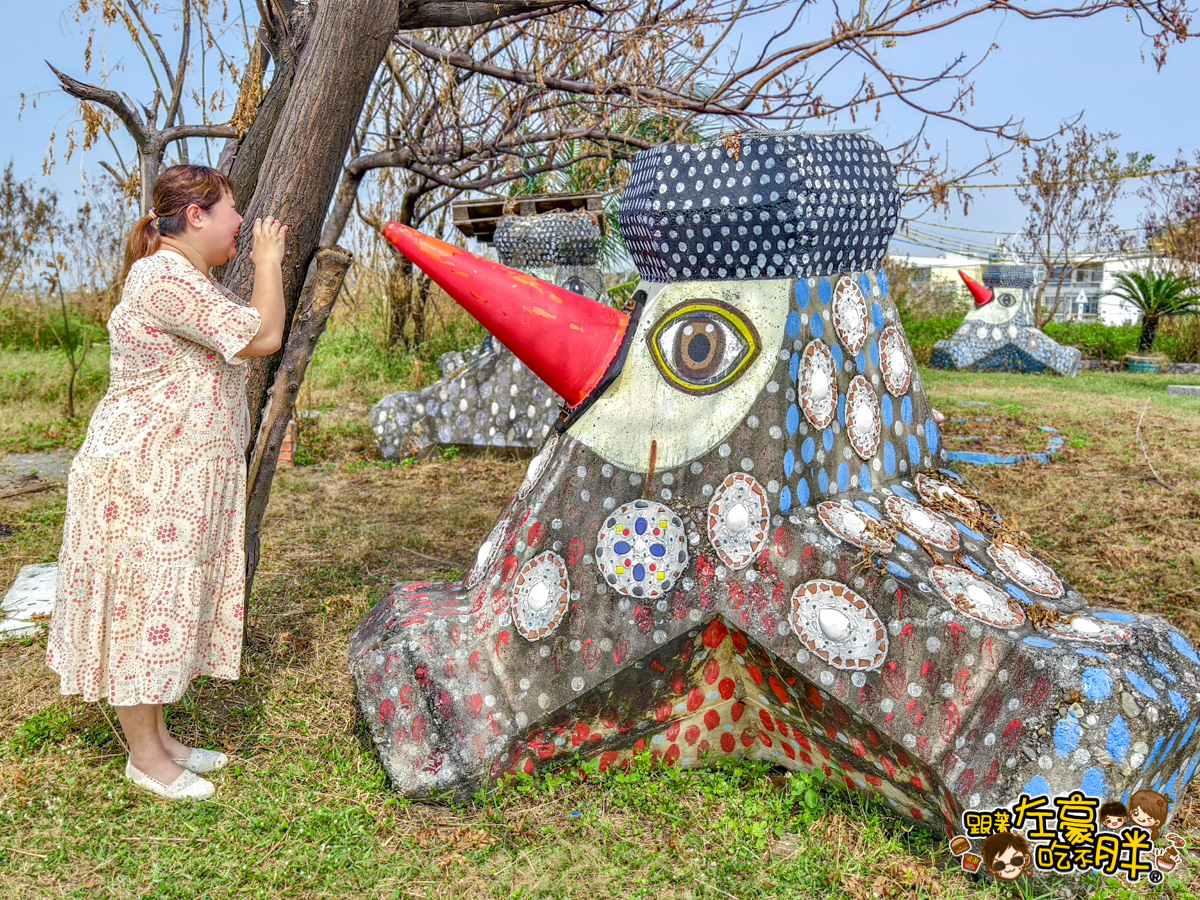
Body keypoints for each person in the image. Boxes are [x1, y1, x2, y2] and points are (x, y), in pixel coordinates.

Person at [45, 165, 287, 800]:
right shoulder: (163, 277)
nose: (241, 222)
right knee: (143, 606)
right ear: (198, 215)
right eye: (233, 210)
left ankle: (160, 741)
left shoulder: (185, 279)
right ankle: (146, 758)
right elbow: (264, 336)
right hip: (143, 476)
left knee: (157, 604)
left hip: (167, 476)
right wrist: (268, 259)